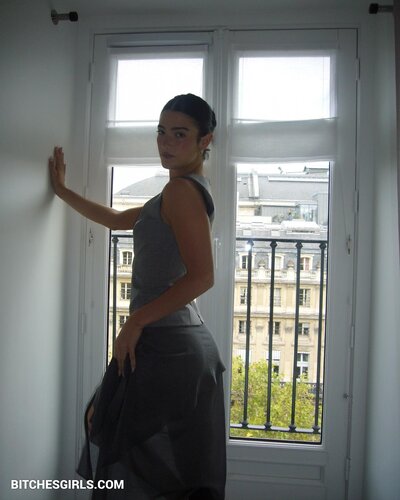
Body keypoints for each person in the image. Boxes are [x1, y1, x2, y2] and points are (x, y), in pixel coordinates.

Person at [49, 94, 226, 499]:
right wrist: (62, 191)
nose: (165, 142)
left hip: (168, 343)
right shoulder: (177, 192)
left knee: (120, 440)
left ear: (205, 140)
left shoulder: (182, 191)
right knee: (151, 458)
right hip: (175, 340)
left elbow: (203, 276)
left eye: (179, 134)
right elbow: (116, 219)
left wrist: (135, 320)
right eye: (161, 132)